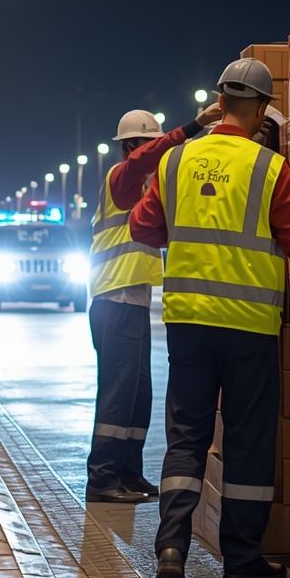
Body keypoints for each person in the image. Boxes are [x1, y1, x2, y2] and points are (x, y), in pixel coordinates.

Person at [129, 57, 290, 578]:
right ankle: (242, 559)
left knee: (186, 436)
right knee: (247, 439)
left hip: (188, 322)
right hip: (249, 326)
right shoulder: (269, 167)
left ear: (219, 102)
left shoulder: (176, 161)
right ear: (262, 110)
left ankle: (171, 547)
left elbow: (143, 227)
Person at [85, 104, 221, 504]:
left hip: (134, 301)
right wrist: (193, 126)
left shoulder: (145, 189)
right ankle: (102, 479)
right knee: (118, 392)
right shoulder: (120, 177)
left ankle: (128, 472)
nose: (157, 152)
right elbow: (145, 160)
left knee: (137, 393)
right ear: (132, 146)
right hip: (114, 298)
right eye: (149, 144)